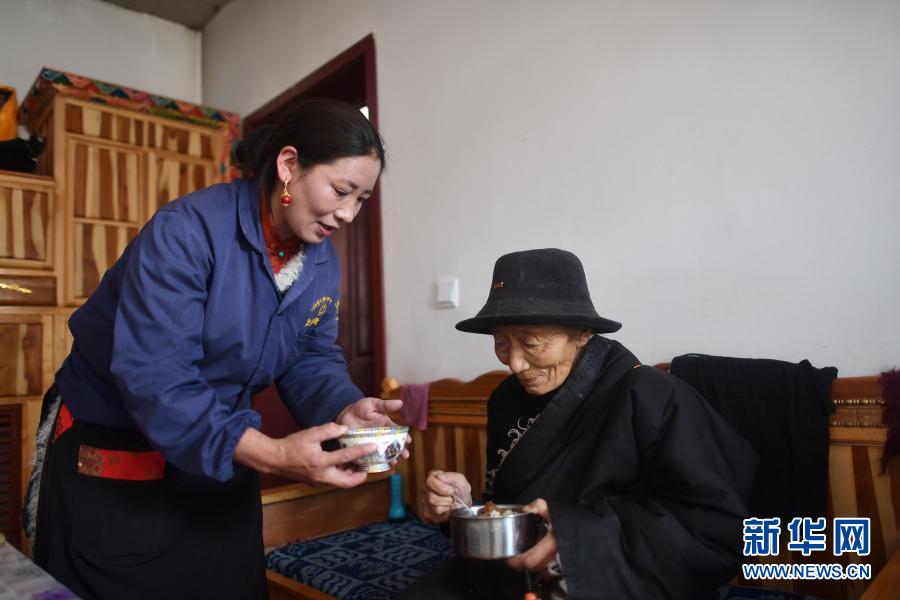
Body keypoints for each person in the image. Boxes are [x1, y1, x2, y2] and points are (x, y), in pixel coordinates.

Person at [26, 98, 403, 600]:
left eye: (362, 199)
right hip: (120, 452)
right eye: (340, 191)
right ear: (288, 165)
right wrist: (273, 453)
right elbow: (158, 378)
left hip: (222, 450)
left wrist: (345, 407)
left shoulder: (320, 262)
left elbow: (311, 356)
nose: (348, 214)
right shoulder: (187, 232)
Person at [406, 248, 757, 600]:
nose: (514, 363)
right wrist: (465, 506)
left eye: (531, 343)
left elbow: (713, 530)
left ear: (582, 333)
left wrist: (575, 540)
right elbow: (513, 505)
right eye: (501, 343)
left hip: (610, 579)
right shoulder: (506, 399)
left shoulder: (650, 395)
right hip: (517, 572)